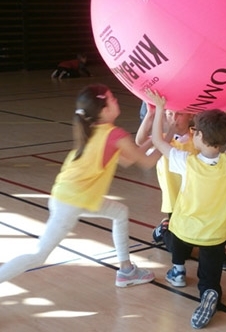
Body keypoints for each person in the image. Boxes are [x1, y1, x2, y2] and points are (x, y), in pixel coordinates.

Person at [0, 84, 158, 288]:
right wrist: (166, 138)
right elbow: (146, 162)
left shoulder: (97, 130)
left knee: (119, 212)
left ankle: (126, 270)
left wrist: (158, 135)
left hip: (72, 197)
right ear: (103, 110)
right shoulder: (114, 134)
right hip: (70, 202)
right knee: (38, 255)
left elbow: (128, 158)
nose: (116, 100)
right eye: (112, 99)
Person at [146, 88, 226, 329]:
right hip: (217, 233)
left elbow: (157, 141)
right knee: (210, 275)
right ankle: (209, 293)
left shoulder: (187, 163)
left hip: (186, 229)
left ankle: (177, 270)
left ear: (199, 138)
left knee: (173, 236)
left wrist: (157, 108)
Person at [136, 103, 226, 270]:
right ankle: (164, 230)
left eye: (179, 113)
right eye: (168, 113)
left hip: (198, 198)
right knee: (181, 248)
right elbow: (139, 141)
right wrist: (151, 113)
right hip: (175, 198)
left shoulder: (199, 138)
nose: (173, 118)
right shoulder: (164, 139)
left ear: (191, 115)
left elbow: (225, 125)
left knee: (212, 225)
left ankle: (217, 251)